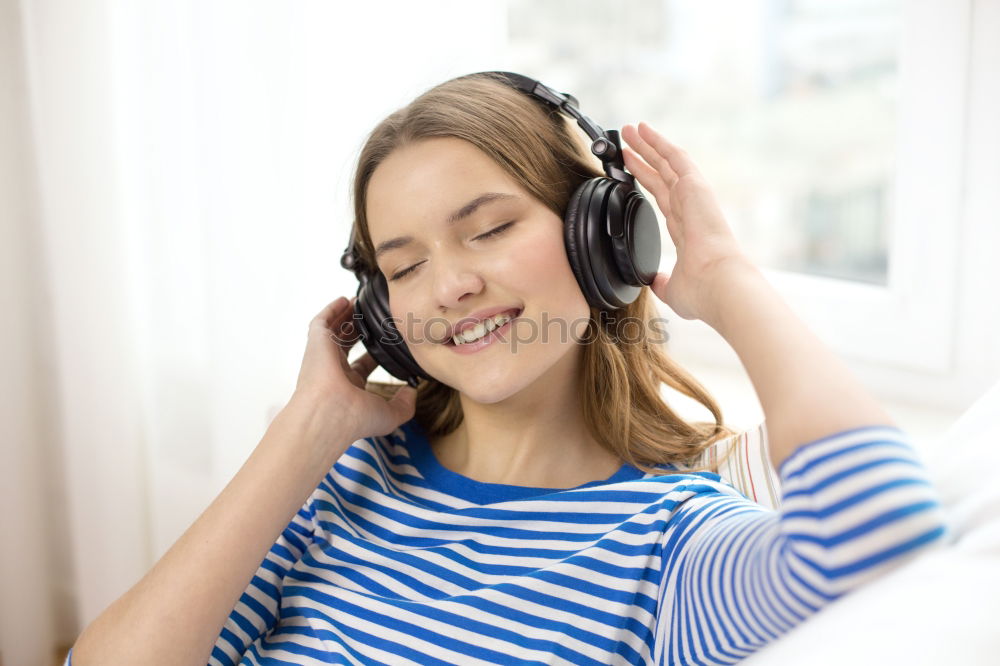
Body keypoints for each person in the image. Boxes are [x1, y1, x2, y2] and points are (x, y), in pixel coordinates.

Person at [67, 72, 949, 665]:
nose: (449, 284)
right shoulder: (335, 481)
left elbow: (877, 533)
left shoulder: (668, 547)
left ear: (601, 239)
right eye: (403, 267)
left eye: (489, 229)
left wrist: (725, 281)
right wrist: (309, 428)